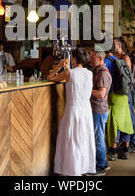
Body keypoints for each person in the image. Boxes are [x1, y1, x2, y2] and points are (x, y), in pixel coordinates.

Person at [47, 48, 95, 176]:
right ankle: (82, 167)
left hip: (73, 110)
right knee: (84, 139)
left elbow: (50, 77)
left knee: (71, 139)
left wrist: (59, 65)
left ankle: (72, 170)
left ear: (73, 59)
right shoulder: (89, 73)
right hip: (86, 111)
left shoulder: (69, 73)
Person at [105, 48, 133, 161]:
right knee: (125, 121)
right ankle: (125, 151)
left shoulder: (106, 62)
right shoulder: (118, 60)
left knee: (114, 123)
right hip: (123, 94)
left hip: (113, 94)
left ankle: (113, 152)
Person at [88, 49, 112, 176]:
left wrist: (87, 89)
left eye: (93, 58)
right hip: (96, 109)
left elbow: (101, 94)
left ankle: (101, 166)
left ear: (100, 59)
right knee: (98, 138)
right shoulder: (96, 71)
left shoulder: (103, 74)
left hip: (99, 110)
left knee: (98, 139)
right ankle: (104, 163)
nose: (90, 60)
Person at [113, 37, 135, 153]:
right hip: (117, 91)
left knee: (130, 117)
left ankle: (133, 142)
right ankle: (124, 143)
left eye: (113, 45)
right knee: (121, 118)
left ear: (119, 46)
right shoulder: (115, 57)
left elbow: (127, 76)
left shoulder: (125, 57)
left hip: (126, 91)